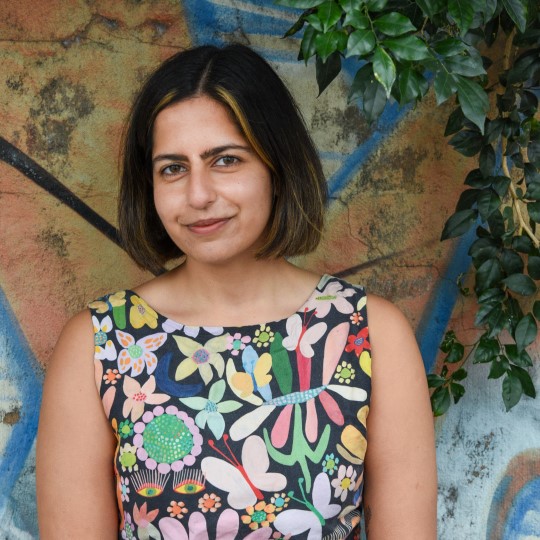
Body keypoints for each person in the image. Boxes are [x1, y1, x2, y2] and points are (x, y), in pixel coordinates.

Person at [36, 44, 437, 539]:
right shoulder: (101, 345)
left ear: (277, 165)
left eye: (225, 160)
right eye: (172, 168)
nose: (199, 195)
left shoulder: (369, 333)